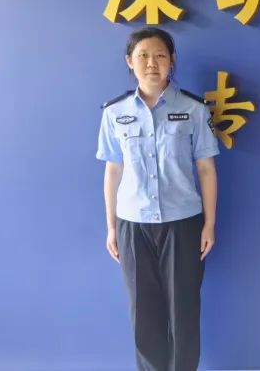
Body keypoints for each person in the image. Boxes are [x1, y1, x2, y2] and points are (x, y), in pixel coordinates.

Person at [96, 27, 220, 371]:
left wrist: (209, 224)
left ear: (172, 60)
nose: (152, 63)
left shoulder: (193, 109)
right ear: (130, 62)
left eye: (160, 55)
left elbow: (206, 169)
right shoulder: (114, 113)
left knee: (184, 309)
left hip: (183, 223)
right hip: (133, 224)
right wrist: (111, 227)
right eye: (143, 56)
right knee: (143, 311)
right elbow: (113, 171)